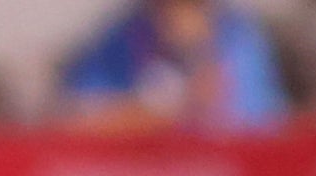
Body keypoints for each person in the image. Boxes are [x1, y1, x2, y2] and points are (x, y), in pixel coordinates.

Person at [55, 0, 296, 120]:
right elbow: (75, 119)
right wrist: (149, 112)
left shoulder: (239, 35)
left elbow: (265, 126)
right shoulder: (122, 36)